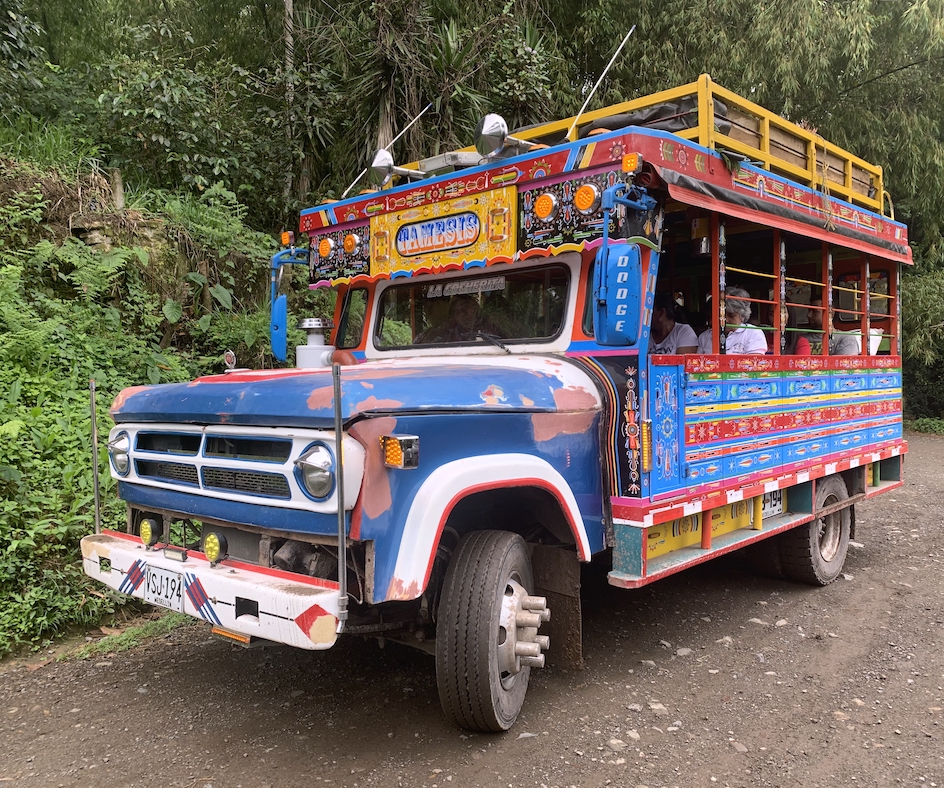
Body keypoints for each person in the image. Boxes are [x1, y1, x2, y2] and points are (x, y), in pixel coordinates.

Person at [415, 294, 498, 343]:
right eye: (457, 312)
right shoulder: (448, 333)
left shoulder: (489, 326)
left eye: (466, 308)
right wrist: (440, 329)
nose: (463, 314)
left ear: (475, 309)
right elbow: (417, 345)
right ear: (454, 317)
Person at [722, 286, 767, 354]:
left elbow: (754, 361)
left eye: (731, 316)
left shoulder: (753, 333)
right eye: (721, 315)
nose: (726, 320)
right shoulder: (705, 336)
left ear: (742, 315)